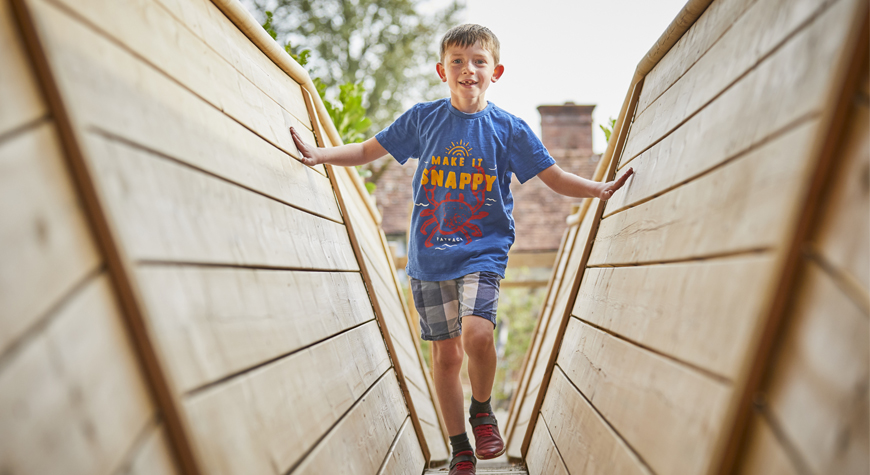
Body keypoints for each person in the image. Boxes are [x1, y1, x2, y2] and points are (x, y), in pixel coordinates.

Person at [290, 23, 633, 475]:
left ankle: (483, 411)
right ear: (442, 70)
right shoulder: (422, 119)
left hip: (483, 250)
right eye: (457, 61)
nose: (467, 69)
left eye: (478, 61)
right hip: (429, 255)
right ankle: (460, 449)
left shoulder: (509, 129)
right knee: (446, 355)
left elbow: (552, 176)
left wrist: (599, 189)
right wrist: (321, 154)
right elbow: (367, 150)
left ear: (496, 71)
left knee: (478, 335)